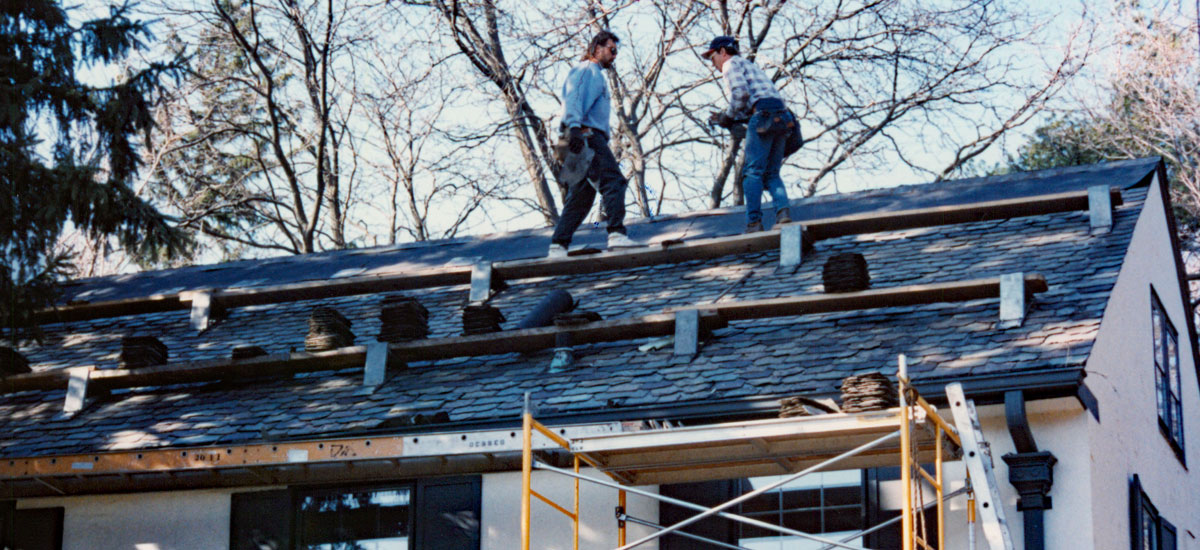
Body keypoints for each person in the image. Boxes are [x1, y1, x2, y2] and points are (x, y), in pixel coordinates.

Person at [548, 30, 636, 258]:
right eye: (611, 50)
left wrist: (573, 131)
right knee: (614, 182)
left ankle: (558, 245)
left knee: (581, 196)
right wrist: (575, 127)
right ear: (597, 48)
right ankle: (616, 233)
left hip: (576, 137)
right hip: (585, 136)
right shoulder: (588, 70)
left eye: (617, 51)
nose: (614, 56)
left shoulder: (593, 73)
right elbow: (574, 97)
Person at [703, 36, 795, 233]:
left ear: (722, 51)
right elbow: (755, 100)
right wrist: (732, 116)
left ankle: (754, 222)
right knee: (772, 173)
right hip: (782, 117)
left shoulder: (730, 64)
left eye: (712, 58)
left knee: (752, 172)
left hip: (764, 115)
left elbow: (740, 94)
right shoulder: (748, 65)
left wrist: (727, 117)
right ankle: (783, 214)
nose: (713, 64)